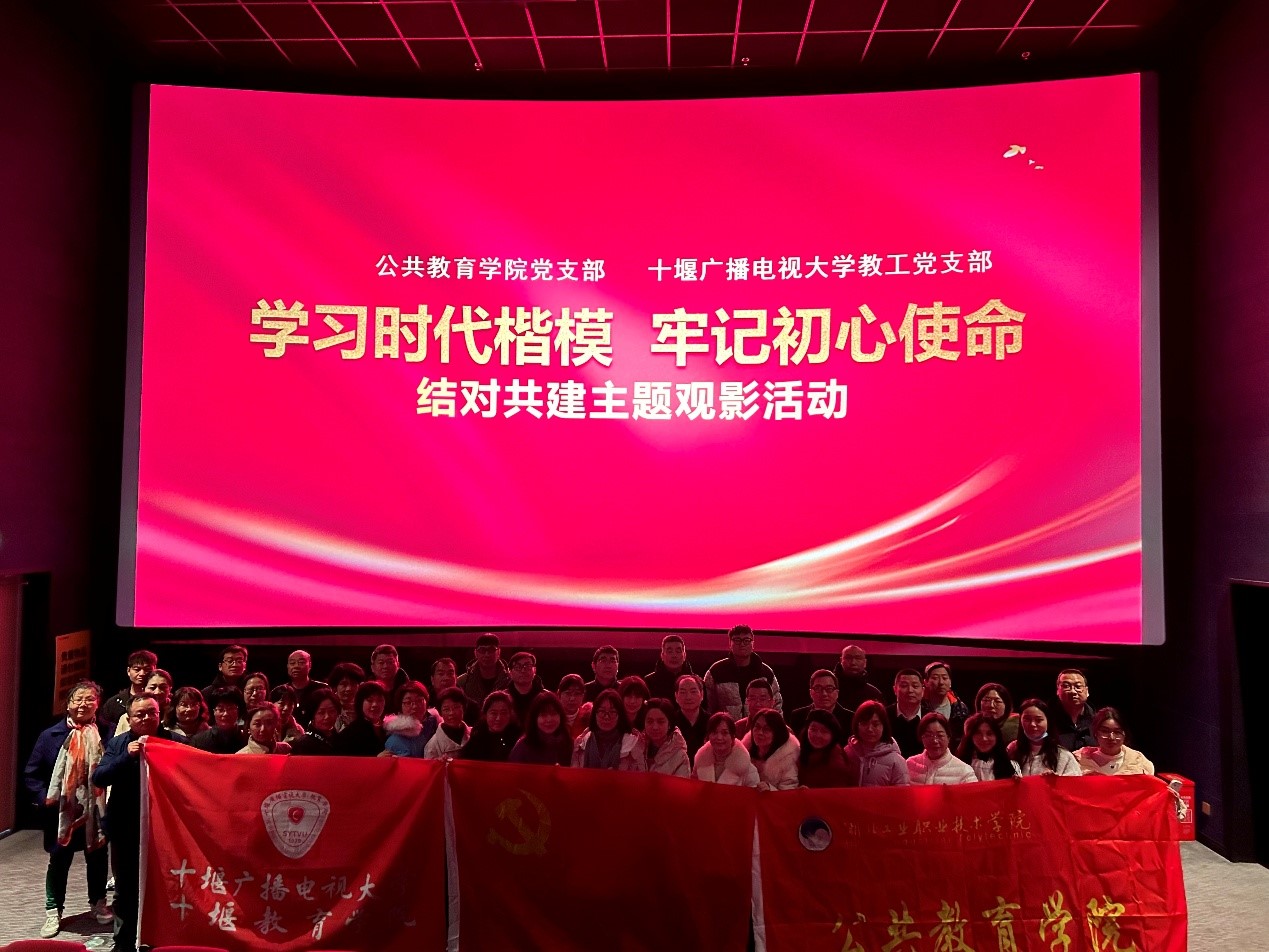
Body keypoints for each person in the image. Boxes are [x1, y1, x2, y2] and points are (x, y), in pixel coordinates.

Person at [93, 695, 190, 952]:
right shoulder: (118, 744)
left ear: (160, 714)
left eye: (151, 713)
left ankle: (161, 940)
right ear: (129, 718)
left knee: (166, 886)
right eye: (140, 714)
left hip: (167, 829)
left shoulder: (176, 742)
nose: (146, 718)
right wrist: (126, 756)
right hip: (126, 828)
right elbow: (99, 777)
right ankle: (123, 943)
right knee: (126, 889)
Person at [24, 680, 113, 939]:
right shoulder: (50, 735)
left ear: (98, 703)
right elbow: (32, 773)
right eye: (78, 699)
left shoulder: (108, 732)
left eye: (89, 699)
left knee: (97, 857)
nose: (83, 704)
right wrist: (45, 798)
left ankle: (98, 903)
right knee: (59, 861)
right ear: (68, 704)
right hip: (62, 811)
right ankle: (54, 911)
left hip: (96, 809)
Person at [704, 624, 782, 718]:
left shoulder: (765, 672)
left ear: (752, 644)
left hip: (759, 726)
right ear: (730, 643)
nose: (742, 644)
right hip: (727, 726)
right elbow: (707, 707)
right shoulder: (716, 671)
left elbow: (776, 705)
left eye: (746, 640)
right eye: (737, 640)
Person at [1008, 698, 1082, 777]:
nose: (1032, 724)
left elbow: (1074, 782)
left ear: (1048, 722)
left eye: (1038, 720)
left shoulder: (1063, 756)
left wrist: (1056, 780)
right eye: (1027, 719)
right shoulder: (1012, 751)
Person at [843, 700, 909, 787]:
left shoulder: (896, 761)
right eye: (864, 723)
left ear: (884, 726)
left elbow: (902, 793)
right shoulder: (847, 753)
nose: (869, 729)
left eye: (875, 724)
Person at [1075, 707, 1155, 775]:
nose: (1111, 737)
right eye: (1105, 731)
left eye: (1117, 732)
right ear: (1096, 733)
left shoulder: (1139, 762)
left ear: (1124, 734)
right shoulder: (1079, 760)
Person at [572, 689, 637, 769]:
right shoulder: (582, 742)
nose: (606, 717)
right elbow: (574, 771)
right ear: (595, 714)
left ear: (620, 715)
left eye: (612, 712)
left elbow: (641, 773)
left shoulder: (632, 743)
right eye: (602, 711)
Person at [907, 712, 977, 785]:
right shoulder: (910, 764)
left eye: (940, 735)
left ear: (948, 737)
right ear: (922, 738)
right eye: (929, 735)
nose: (935, 740)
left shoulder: (964, 771)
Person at [625, 698, 690, 777]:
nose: (655, 727)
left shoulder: (680, 757)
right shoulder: (634, 747)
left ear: (669, 724)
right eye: (650, 721)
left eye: (660, 722)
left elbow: (680, 784)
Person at [692, 712, 759, 786]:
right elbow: (694, 787)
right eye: (714, 732)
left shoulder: (746, 768)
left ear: (733, 737)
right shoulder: (700, 761)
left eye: (724, 733)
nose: (719, 737)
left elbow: (753, 791)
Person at [509, 691, 574, 766]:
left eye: (553, 713)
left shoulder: (568, 742)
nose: (549, 719)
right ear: (534, 718)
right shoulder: (523, 746)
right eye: (543, 715)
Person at [786, 670, 854, 737]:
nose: (824, 694)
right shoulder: (798, 716)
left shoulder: (850, 718)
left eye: (829, 688)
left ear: (837, 693)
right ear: (810, 692)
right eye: (818, 688)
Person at [744, 709, 800, 790]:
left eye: (766, 729)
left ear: (777, 733)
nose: (760, 732)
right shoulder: (744, 753)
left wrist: (770, 789)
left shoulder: (787, 758)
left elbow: (789, 792)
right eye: (757, 727)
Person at [920, 661, 970, 749]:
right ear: (926, 682)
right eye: (935, 678)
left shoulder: (961, 708)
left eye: (944, 678)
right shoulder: (919, 707)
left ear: (950, 682)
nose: (941, 682)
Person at [798, 710, 853, 789]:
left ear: (833, 735)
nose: (818, 735)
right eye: (813, 729)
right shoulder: (802, 749)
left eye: (824, 731)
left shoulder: (836, 763)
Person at [461, 691, 522, 762]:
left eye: (503, 713)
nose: (498, 718)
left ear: (510, 714)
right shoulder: (477, 737)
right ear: (485, 715)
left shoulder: (518, 740)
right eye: (494, 713)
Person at [958, 713, 1020, 782]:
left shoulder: (1011, 767)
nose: (984, 738)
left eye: (989, 734)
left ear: (997, 737)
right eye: (978, 733)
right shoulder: (958, 765)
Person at [331, 681, 387, 757]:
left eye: (380, 700)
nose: (375, 705)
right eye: (369, 700)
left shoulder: (388, 728)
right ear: (360, 703)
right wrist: (375, 759)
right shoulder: (351, 733)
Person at [383, 681, 437, 758]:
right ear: (400, 707)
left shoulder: (435, 725)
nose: (415, 706)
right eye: (408, 702)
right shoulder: (395, 741)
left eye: (419, 700)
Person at [101, 650, 157, 724]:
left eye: (147, 669)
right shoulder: (114, 703)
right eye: (137, 669)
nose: (142, 673)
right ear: (128, 671)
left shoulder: (161, 699)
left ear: (154, 670)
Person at [116, 668, 174, 736]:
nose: (157, 692)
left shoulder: (178, 714)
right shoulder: (128, 717)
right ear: (143, 689)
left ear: (170, 689)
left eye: (163, 687)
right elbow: (119, 741)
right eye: (152, 688)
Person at [457, 633, 511, 707]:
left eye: (491, 650)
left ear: (498, 652)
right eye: (482, 650)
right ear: (476, 653)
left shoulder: (510, 681)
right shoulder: (463, 682)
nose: (487, 654)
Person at [190, 687, 248, 753]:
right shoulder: (198, 741)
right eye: (220, 709)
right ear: (213, 711)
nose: (226, 714)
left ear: (238, 710)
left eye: (231, 708)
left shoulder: (247, 739)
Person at [644, 634, 696, 705]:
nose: (674, 655)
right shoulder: (648, 682)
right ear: (662, 655)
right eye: (669, 651)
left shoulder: (697, 682)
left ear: (684, 655)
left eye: (678, 651)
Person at [1053, 669, 1097, 751]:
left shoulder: (1097, 720)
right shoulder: (1048, 720)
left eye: (1078, 686)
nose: (1073, 691)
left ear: (1087, 691)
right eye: (1066, 686)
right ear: (1057, 691)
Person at [832, 644, 884, 712]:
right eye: (848, 658)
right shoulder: (829, 690)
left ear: (865, 662)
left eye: (858, 658)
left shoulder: (874, 694)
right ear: (841, 660)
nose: (853, 662)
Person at [424, 687, 472, 759]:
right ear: (440, 713)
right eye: (446, 709)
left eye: (456, 707)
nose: (451, 713)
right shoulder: (433, 745)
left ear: (463, 708)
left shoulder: (474, 735)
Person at [887, 669, 926, 758]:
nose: (910, 690)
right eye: (904, 686)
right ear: (895, 689)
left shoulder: (931, 718)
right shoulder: (883, 716)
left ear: (923, 691)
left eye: (915, 686)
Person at [432, 656, 481, 724]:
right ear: (432, 679)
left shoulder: (471, 707)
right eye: (441, 674)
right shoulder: (424, 703)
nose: (446, 678)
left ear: (456, 677)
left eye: (450, 673)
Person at [291, 687, 339, 756]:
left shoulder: (340, 739)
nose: (327, 716)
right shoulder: (304, 745)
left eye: (331, 711)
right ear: (312, 714)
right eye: (321, 713)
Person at [673, 673, 710, 758]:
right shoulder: (670, 722)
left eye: (693, 692)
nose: (688, 697)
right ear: (676, 696)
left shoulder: (712, 722)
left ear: (702, 694)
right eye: (683, 692)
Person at [285, 649, 328, 722]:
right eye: (292, 663)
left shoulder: (322, 689)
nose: (296, 666)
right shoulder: (282, 690)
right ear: (288, 666)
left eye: (301, 662)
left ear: (310, 665)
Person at [327, 661, 367, 731]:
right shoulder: (327, 708)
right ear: (335, 687)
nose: (349, 689)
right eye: (344, 684)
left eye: (353, 684)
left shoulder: (364, 709)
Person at [506, 652, 544, 723]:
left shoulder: (545, 697)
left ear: (534, 670)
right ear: (510, 672)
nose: (523, 671)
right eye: (517, 667)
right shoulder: (503, 698)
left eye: (528, 666)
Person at [370, 643, 410, 709]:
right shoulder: (365, 692)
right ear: (372, 667)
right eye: (381, 663)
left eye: (390, 662)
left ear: (398, 665)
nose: (385, 666)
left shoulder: (409, 691)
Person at [558, 674, 591, 739]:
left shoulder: (589, 718)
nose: (572, 698)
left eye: (577, 693)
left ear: (583, 696)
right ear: (559, 694)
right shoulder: (552, 717)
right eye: (568, 693)